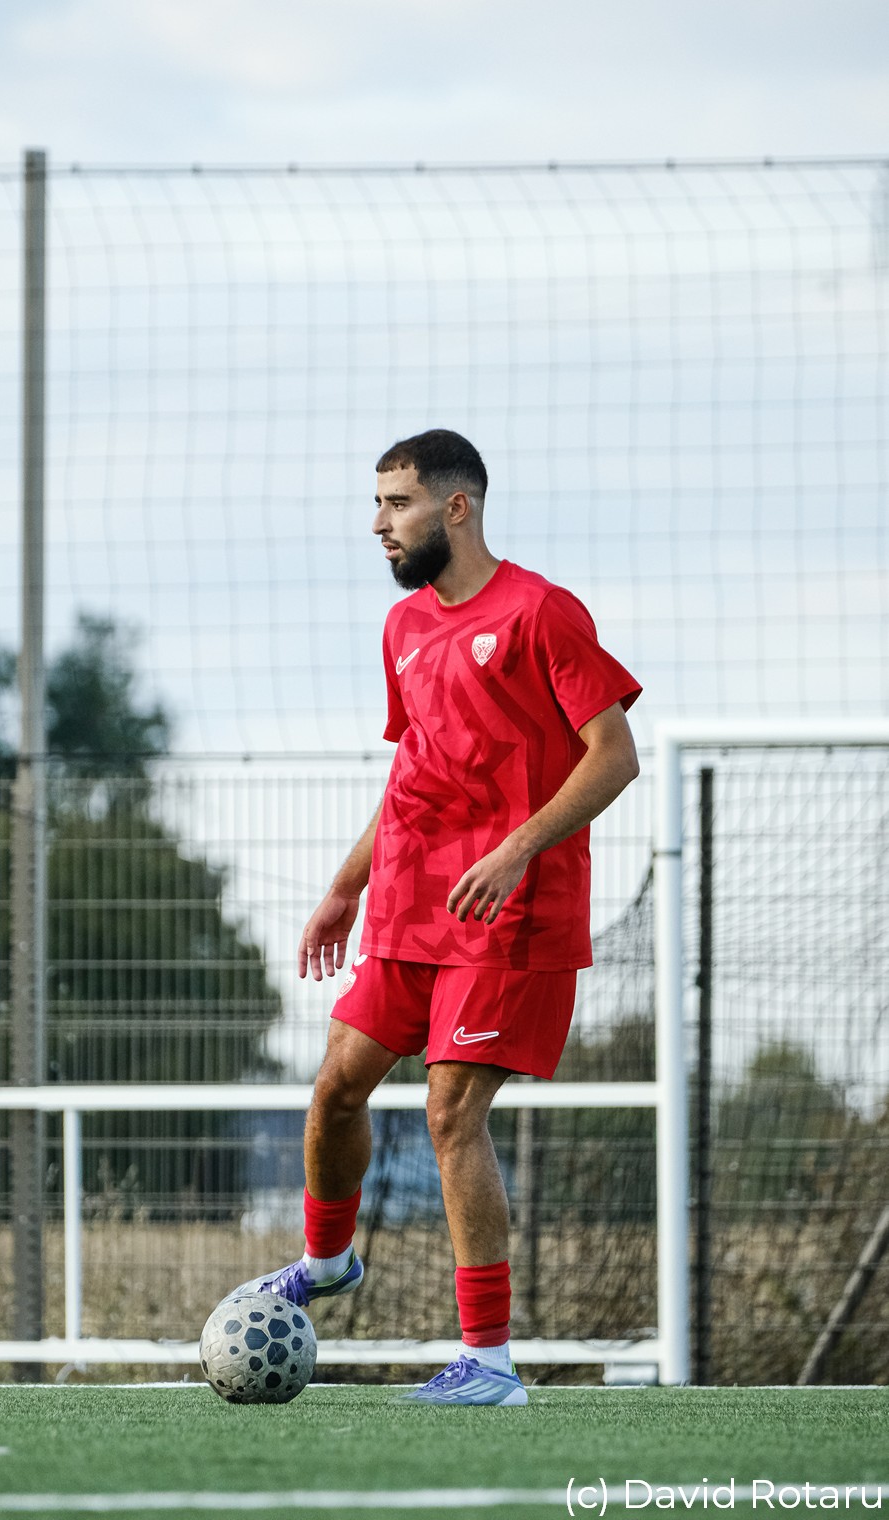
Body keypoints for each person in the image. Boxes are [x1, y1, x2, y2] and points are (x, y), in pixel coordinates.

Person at [231, 428, 641, 1405]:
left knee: (450, 1114)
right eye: (376, 503)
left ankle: (489, 1364)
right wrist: (346, 886)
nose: (379, 523)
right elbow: (415, 767)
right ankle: (327, 1260)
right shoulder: (404, 626)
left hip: (508, 913)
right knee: (335, 1087)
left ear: (456, 507)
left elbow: (614, 755)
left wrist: (515, 849)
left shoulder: (540, 613)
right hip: (410, 905)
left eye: (397, 502)